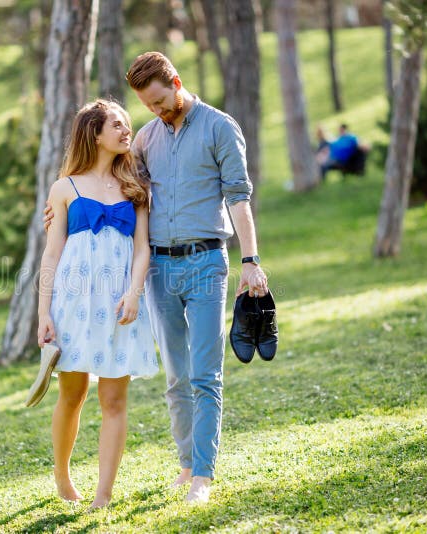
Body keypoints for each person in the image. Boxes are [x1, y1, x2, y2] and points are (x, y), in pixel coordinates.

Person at [45, 52, 268, 504]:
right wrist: (61, 206)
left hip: (206, 262)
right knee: (175, 378)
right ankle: (186, 465)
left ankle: (202, 476)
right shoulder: (145, 140)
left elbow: (239, 198)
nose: (155, 112)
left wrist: (251, 259)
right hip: (160, 273)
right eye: (147, 106)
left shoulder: (220, 127)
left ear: (177, 82)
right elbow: (108, 185)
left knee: (205, 375)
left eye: (161, 101)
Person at [37, 99, 159, 509]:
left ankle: (103, 495)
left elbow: (142, 249)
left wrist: (134, 291)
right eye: (117, 125)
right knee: (72, 394)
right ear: (94, 133)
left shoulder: (134, 187)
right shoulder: (65, 188)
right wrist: (43, 313)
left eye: (127, 124)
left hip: (120, 299)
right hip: (73, 302)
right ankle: (62, 476)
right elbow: (51, 255)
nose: (126, 130)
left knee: (114, 400)